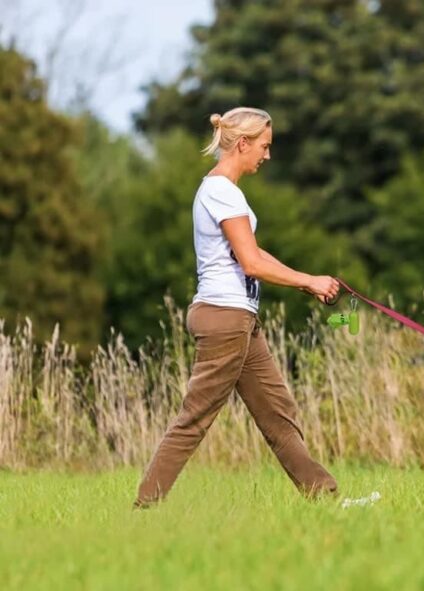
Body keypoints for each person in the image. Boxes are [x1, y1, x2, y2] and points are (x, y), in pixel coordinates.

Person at [134, 107, 340, 507]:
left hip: (239, 318)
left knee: (277, 413)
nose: (267, 155)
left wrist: (305, 283)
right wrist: (308, 280)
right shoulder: (221, 191)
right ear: (243, 143)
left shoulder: (224, 191)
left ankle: (325, 497)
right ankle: (144, 508)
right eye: (264, 146)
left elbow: (253, 252)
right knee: (194, 419)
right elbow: (251, 263)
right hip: (224, 319)